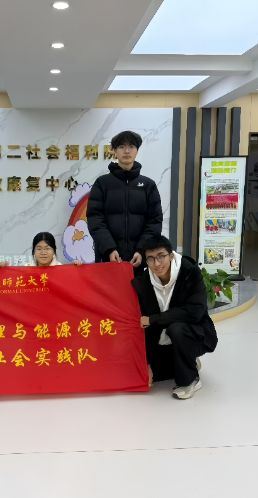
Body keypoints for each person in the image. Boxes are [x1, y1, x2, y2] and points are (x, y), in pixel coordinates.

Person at [132, 235, 218, 400]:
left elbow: (195, 311)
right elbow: (144, 326)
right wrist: (146, 364)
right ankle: (188, 360)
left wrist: (154, 319)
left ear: (171, 255)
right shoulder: (144, 283)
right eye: (151, 258)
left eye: (161, 256)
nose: (157, 263)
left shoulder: (189, 272)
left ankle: (190, 380)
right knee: (154, 376)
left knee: (176, 328)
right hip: (161, 339)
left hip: (194, 332)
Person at [87, 130, 163, 268]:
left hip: (139, 260)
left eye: (131, 146)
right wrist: (109, 249)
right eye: (121, 147)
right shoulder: (102, 183)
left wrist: (142, 250)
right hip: (108, 259)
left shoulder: (148, 185)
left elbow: (154, 221)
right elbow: (95, 219)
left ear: (137, 151)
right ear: (114, 151)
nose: (127, 151)